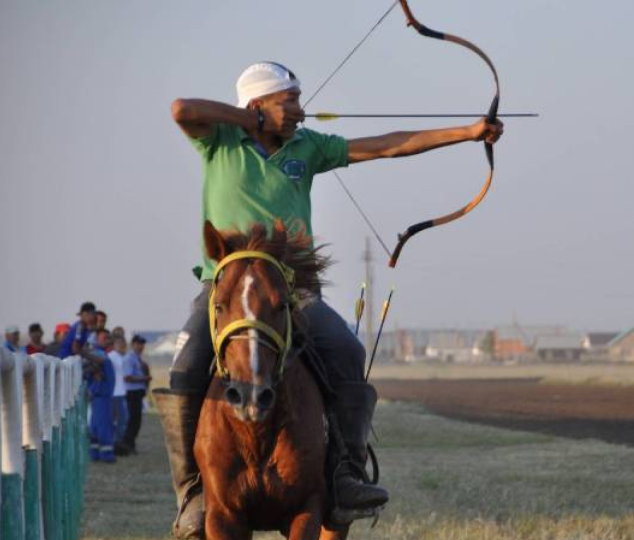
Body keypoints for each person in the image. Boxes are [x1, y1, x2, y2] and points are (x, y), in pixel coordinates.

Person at [161, 61, 503, 538]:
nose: (301, 111)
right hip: (226, 291)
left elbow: (389, 146)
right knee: (186, 367)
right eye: (291, 101)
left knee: (346, 350)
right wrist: (251, 124)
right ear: (259, 105)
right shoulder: (220, 139)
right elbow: (182, 109)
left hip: (290, 289)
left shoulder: (309, 146)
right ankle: (193, 493)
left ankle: (344, 477)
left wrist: (467, 132)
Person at [81, 328, 116, 463]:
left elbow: (98, 362)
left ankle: (101, 454)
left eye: (107, 338)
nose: (106, 340)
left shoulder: (101, 356)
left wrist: (82, 352)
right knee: (98, 425)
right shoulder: (97, 355)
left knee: (100, 425)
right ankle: (100, 454)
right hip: (98, 396)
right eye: (103, 338)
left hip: (102, 395)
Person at [122, 335, 152, 453]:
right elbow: (127, 377)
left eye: (142, 344)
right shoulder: (129, 358)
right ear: (133, 344)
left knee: (136, 420)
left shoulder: (137, 358)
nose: (141, 347)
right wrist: (144, 379)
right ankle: (128, 443)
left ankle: (130, 443)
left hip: (138, 392)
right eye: (138, 344)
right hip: (132, 392)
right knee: (133, 420)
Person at [108, 336, 130, 455]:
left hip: (120, 392)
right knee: (120, 419)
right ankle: (115, 443)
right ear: (114, 345)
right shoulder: (111, 357)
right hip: (114, 393)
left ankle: (116, 442)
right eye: (120, 344)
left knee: (121, 419)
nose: (123, 347)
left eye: (124, 344)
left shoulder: (122, 357)